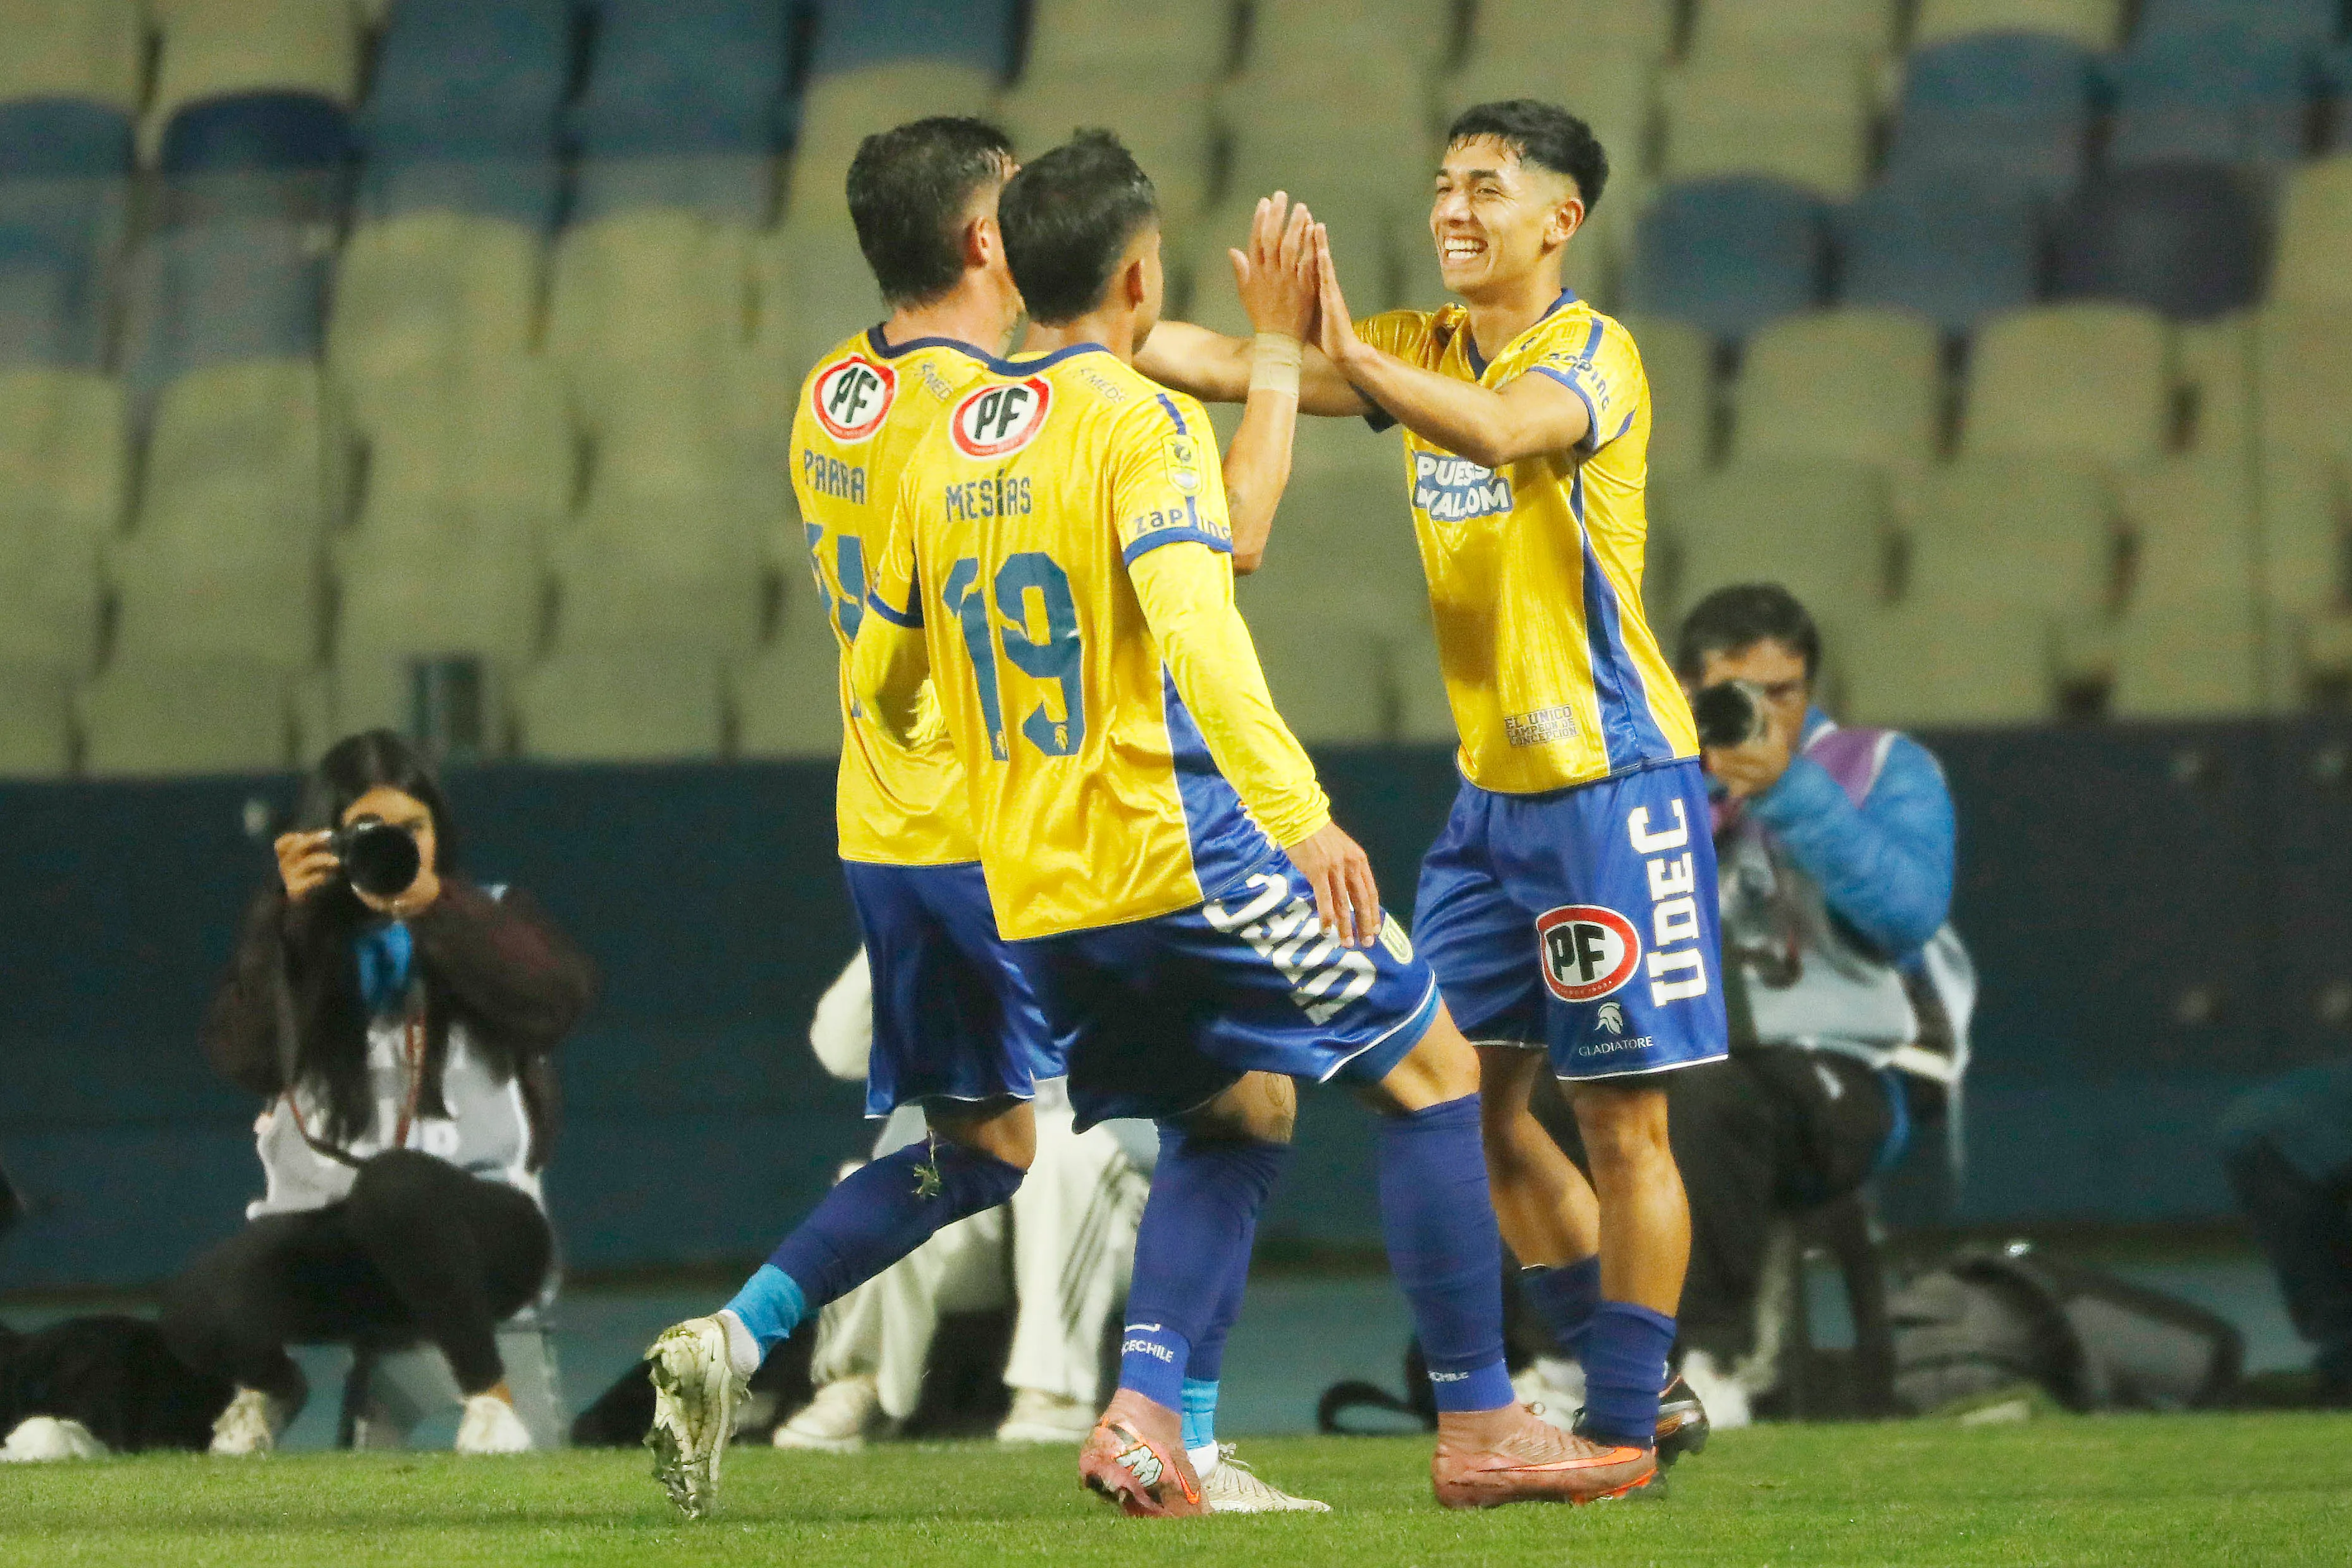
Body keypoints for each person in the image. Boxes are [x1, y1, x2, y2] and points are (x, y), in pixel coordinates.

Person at [854, 129, 1660, 1512]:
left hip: (1039, 893)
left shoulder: (931, 448)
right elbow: (1207, 614)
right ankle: (1482, 1420)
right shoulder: (1135, 419)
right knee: (1437, 1076)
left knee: (1237, 1113)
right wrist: (1300, 815)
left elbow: (888, 680)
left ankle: (1149, 1416)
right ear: (1136, 271)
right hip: (1183, 851)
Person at [641, 118, 1326, 1519]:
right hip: (1021, 830)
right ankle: (1175, 1435)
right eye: (1015, 207)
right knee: (1246, 1105)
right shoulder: (987, 418)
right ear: (979, 243)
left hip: (885, 830)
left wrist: (1309, 365)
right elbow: (1221, 534)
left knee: (988, 1154)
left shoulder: (836, 390)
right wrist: (1270, 361)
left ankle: (740, 1335)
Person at [1139, 99, 1721, 1465]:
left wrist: (1338, 350)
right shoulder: (1418, 345)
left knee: (1623, 1120)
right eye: (1444, 184)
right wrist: (1050, 333)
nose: (1454, 209)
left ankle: (1625, 1427)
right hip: (1489, 806)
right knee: (1464, 1094)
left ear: (1560, 220)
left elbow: (1505, 432)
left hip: (1611, 782)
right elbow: (1226, 358)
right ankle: (1640, 1387)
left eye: (1487, 188)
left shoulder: (1595, 356)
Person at [161, 730, 595, 1456]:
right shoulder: (303, 939)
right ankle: (271, 1384)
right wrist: (286, 928)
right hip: (346, 1241)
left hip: (486, 1233)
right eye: (370, 832)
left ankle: (489, 1400)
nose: (397, 845)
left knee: (397, 1189)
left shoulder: (486, 909)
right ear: (324, 839)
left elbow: (556, 1000)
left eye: (414, 828)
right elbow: (246, 1059)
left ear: (440, 832)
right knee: (196, 1305)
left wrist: (435, 907)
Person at [1653, 584, 1969, 1419]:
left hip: (1852, 1073)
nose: (1763, 713)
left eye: (1783, 693)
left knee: (1707, 1094)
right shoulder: (1653, 774)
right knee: (1525, 1092)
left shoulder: (1879, 767)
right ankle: (1550, 1369)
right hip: (1688, 1054)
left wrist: (1790, 790)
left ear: (1811, 688)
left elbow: (1909, 914)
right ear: (1686, 689)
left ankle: (1712, 1361)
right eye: (1736, 694)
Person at [775, 952, 1153, 1452]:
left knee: (1063, 1148)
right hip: (981, 1220)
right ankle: (860, 1381)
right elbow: (839, 1051)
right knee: (886, 1179)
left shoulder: (1116, 926)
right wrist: (895, 920)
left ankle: (1054, 1390)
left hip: (1121, 1217)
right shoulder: (944, 939)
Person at [2220, 1061, 2352, 1407]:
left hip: (2266, 1130)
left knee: (2326, 1279)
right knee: (2327, 1282)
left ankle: (2340, 1371)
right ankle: (2342, 1379)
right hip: (2277, 1141)